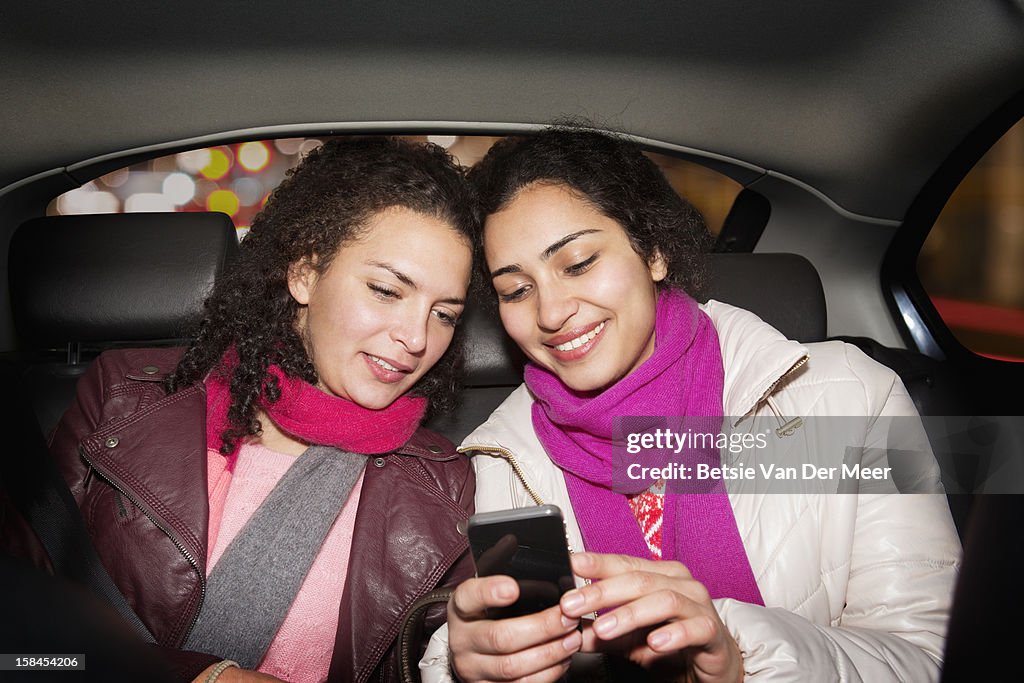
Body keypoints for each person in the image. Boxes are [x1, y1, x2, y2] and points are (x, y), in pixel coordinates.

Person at [420, 128, 961, 682]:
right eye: (515, 290)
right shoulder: (499, 459)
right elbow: (487, 640)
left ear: (653, 251)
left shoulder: (852, 397)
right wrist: (461, 669)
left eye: (578, 262)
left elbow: (933, 658)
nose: (551, 311)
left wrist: (742, 658)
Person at [3, 137, 478, 683]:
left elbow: (440, 660)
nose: (416, 338)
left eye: (444, 314)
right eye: (386, 290)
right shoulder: (121, 400)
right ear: (304, 273)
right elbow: (21, 655)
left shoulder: (445, 483)